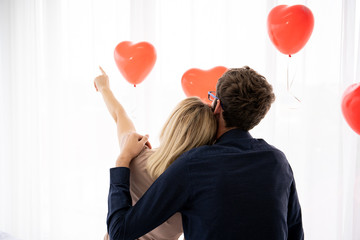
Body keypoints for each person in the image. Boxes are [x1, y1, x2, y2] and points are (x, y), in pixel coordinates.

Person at [106, 66, 304, 240]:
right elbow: (295, 233)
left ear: (217, 106)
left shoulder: (193, 164)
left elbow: (120, 231)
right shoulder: (278, 162)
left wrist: (122, 160)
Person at [94, 67, 217, 240]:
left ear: (171, 124)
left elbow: (119, 115)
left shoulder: (135, 157)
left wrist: (104, 87)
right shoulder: (196, 191)